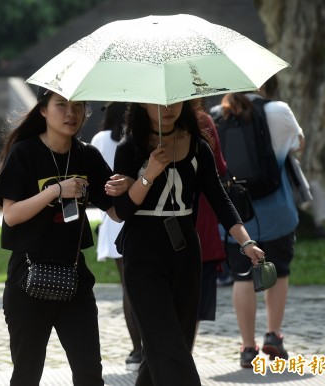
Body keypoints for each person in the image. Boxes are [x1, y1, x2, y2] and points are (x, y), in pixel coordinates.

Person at [112, 100, 264, 386]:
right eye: (158, 103)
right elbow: (121, 211)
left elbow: (219, 198)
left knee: (173, 343)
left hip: (184, 251)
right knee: (166, 342)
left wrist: (246, 243)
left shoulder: (197, 146)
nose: (167, 108)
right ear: (143, 105)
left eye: (174, 101)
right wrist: (148, 174)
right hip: (143, 250)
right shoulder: (129, 148)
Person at [0, 87, 128, 386]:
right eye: (61, 105)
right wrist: (56, 190)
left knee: (90, 372)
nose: (71, 113)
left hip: (74, 275)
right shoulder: (24, 152)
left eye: (78, 106)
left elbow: (117, 212)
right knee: (27, 373)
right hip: (28, 276)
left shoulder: (87, 155)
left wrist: (142, 177)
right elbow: (11, 215)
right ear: (43, 110)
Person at [214, 76, 304, 368]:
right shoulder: (278, 110)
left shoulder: (217, 116)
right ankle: (274, 336)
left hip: (236, 217)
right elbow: (299, 144)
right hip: (277, 212)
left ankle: (247, 347)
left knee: (242, 276)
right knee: (278, 271)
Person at [90, 101, 142, 370]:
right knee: (139, 286)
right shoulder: (139, 139)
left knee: (128, 286)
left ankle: (137, 349)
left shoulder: (100, 139)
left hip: (112, 221)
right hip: (133, 215)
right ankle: (141, 349)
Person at [191, 99, 229, 340]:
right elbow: (220, 169)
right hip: (200, 224)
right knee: (192, 306)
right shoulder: (201, 120)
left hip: (166, 228)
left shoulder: (144, 124)